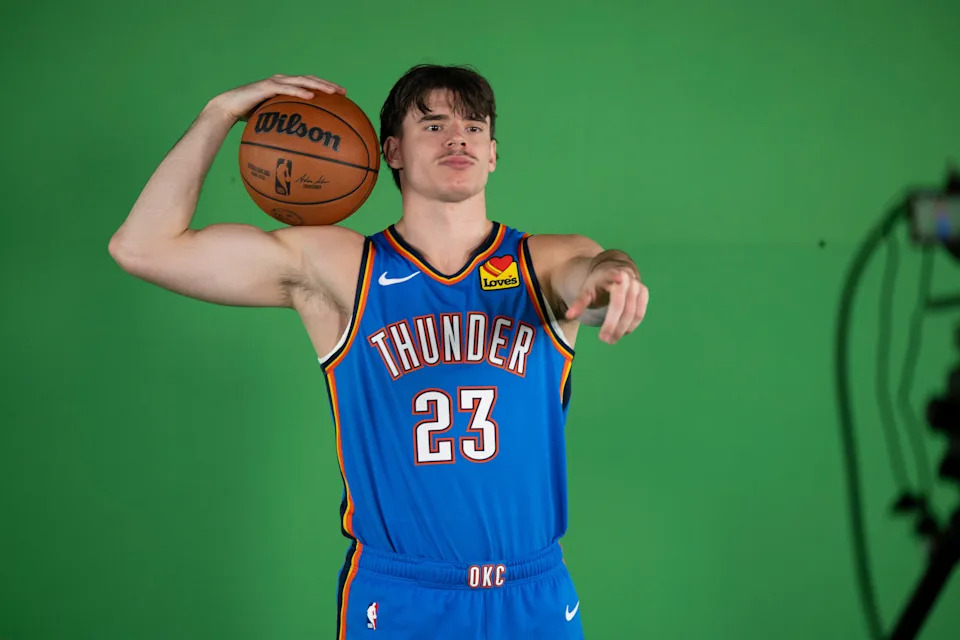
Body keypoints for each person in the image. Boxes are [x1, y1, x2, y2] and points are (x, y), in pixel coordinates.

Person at [109, 64, 649, 639]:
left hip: (533, 593)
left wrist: (613, 278)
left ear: (493, 152)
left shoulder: (542, 262)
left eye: (472, 126)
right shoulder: (342, 270)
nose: (457, 138)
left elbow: (589, 276)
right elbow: (142, 247)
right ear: (390, 150)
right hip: (400, 596)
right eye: (433, 125)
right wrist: (219, 112)